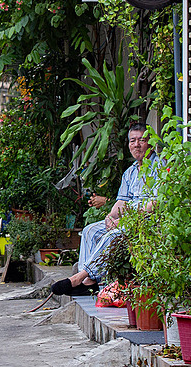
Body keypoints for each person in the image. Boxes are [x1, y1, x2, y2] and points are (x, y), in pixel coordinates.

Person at [51, 121, 159, 295]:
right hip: (128, 219)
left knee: (114, 234)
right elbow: (121, 201)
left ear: (151, 143)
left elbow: (156, 204)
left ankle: (80, 278)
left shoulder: (159, 167)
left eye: (142, 140)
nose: (137, 144)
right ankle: (89, 283)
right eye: (132, 140)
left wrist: (124, 220)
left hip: (147, 221)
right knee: (90, 231)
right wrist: (110, 216)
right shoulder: (130, 172)